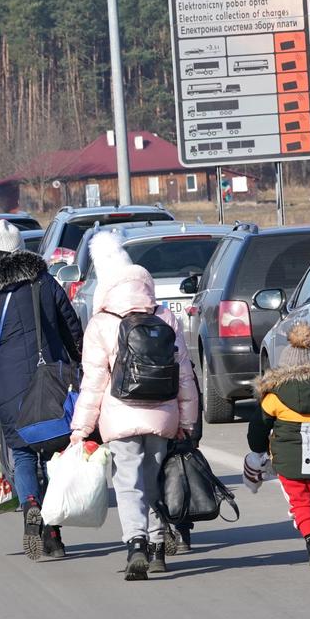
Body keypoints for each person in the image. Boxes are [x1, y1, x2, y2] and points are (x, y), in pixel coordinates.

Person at [68, 232, 198, 580]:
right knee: (154, 480)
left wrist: (80, 429)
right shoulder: (166, 316)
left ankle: (136, 544)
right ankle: (158, 548)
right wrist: (188, 420)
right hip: (163, 414)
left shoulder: (102, 323)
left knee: (128, 482)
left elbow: (93, 382)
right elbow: (184, 375)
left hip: (119, 415)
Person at [0, 220, 84, 562]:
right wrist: (83, 367)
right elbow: (71, 327)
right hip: (54, 383)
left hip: (10, 389)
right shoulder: (43, 281)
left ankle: (31, 503)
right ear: (19, 248)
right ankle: (55, 533)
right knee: (57, 454)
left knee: (25, 454)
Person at [247, 323, 310, 566]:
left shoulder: (274, 396)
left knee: (300, 501)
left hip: (286, 457)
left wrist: (258, 449)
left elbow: (258, 428)